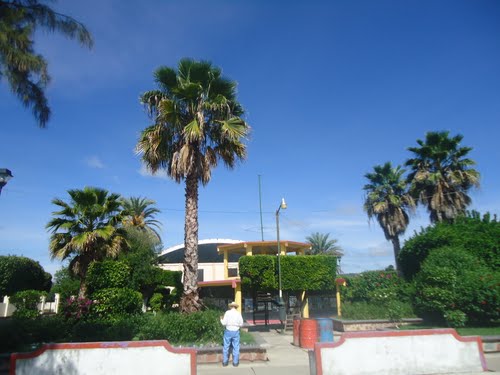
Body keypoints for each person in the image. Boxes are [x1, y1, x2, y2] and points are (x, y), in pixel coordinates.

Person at [220, 301, 244, 367]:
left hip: (228, 330)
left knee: (226, 346)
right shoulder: (238, 313)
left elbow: (224, 323)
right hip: (236, 331)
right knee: (236, 347)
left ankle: (225, 362)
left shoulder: (227, 313)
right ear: (236, 307)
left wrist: (221, 319)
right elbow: (241, 324)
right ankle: (235, 362)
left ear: (230, 306)